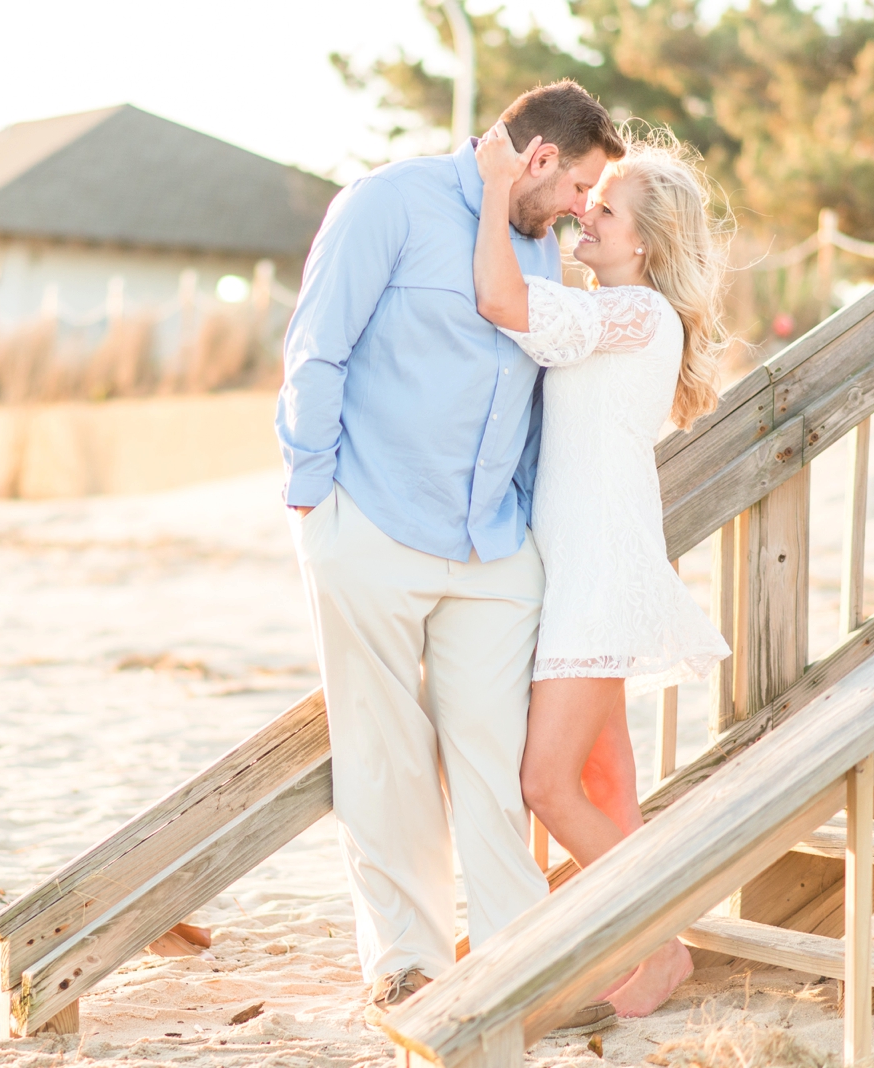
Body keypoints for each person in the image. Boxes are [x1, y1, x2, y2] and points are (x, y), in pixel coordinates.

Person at [276, 81, 623, 1030]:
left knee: (496, 758)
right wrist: (313, 499)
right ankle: (409, 967)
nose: (580, 211)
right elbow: (317, 349)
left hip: (492, 547)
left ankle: (521, 969)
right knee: (383, 754)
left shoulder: (543, 248)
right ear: (540, 157)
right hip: (370, 522)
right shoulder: (388, 203)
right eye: (579, 187)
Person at [471, 120, 733, 1017]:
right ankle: (623, 951)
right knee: (605, 783)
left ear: (644, 242)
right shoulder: (615, 314)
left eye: (604, 208)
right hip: (578, 568)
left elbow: (504, 303)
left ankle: (658, 952)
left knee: (546, 781)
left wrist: (490, 193)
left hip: (599, 576)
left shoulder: (638, 313)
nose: (585, 211)